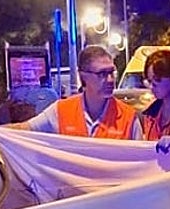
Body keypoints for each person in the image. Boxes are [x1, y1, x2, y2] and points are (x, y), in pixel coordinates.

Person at [13, 45, 142, 139]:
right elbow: (25, 129)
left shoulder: (128, 118)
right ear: (83, 76)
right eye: (102, 73)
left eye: (111, 72)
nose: (110, 80)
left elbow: (141, 163)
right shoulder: (61, 111)